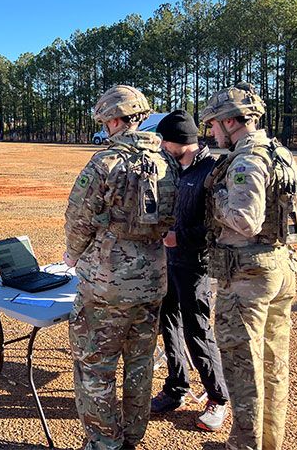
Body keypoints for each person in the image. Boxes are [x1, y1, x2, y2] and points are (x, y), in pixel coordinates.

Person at [63, 85, 178, 450]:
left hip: (107, 285)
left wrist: (72, 255)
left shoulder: (105, 162)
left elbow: (78, 219)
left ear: (114, 120)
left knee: (95, 367)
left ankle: (103, 443)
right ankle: (131, 437)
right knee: (141, 364)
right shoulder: (167, 161)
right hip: (153, 280)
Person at [201, 82, 297, 450]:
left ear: (232, 122)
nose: (211, 132)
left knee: (244, 369)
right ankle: (268, 441)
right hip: (279, 266)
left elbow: (246, 220)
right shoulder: (280, 152)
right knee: (273, 365)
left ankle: (244, 446)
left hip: (248, 275)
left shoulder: (246, 159)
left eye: (213, 124)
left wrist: (216, 197)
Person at [149, 110, 230, 431]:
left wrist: (179, 236)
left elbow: (219, 225)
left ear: (182, 141)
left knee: (197, 331)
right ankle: (176, 387)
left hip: (195, 264)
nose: (162, 146)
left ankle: (218, 398)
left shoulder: (213, 171)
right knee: (167, 324)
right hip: (169, 262)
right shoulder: (172, 168)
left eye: (166, 141)